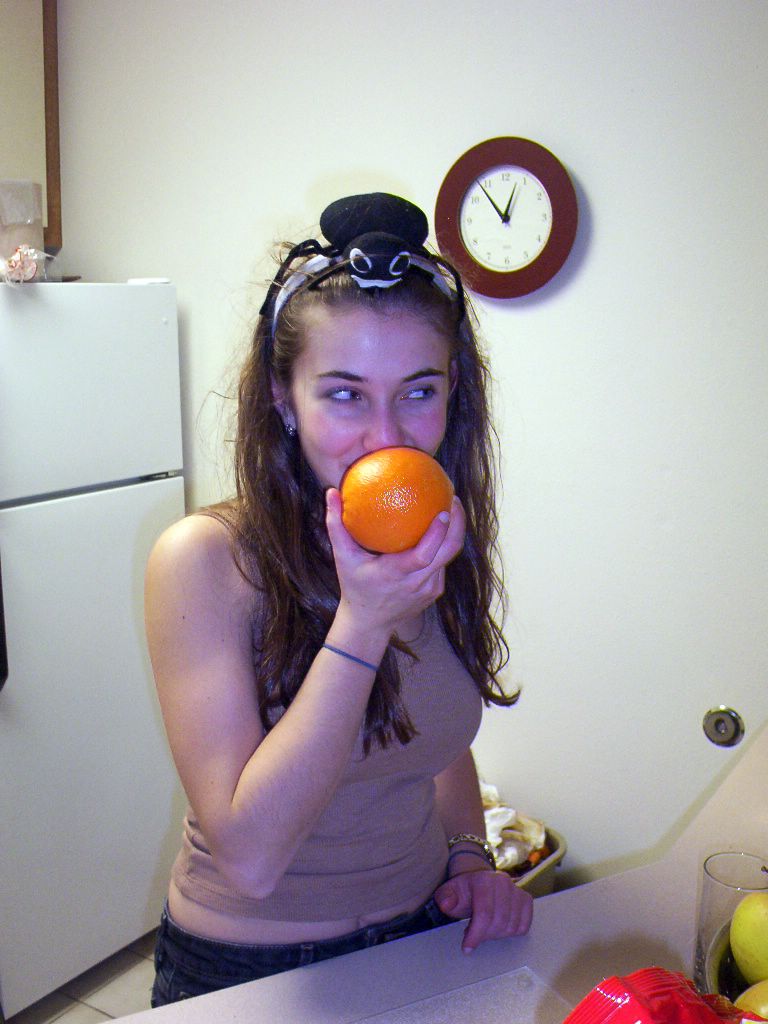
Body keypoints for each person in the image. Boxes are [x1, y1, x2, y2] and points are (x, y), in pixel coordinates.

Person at [144, 192, 533, 1007]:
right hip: (249, 970)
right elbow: (250, 858)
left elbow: (433, 733)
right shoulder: (206, 561)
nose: (387, 437)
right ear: (284, 398)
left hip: (422, 933)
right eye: (346, 394)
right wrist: (363, 623)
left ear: (453, 393)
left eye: (418, 392)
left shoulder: (425, 524)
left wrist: (469, 856)